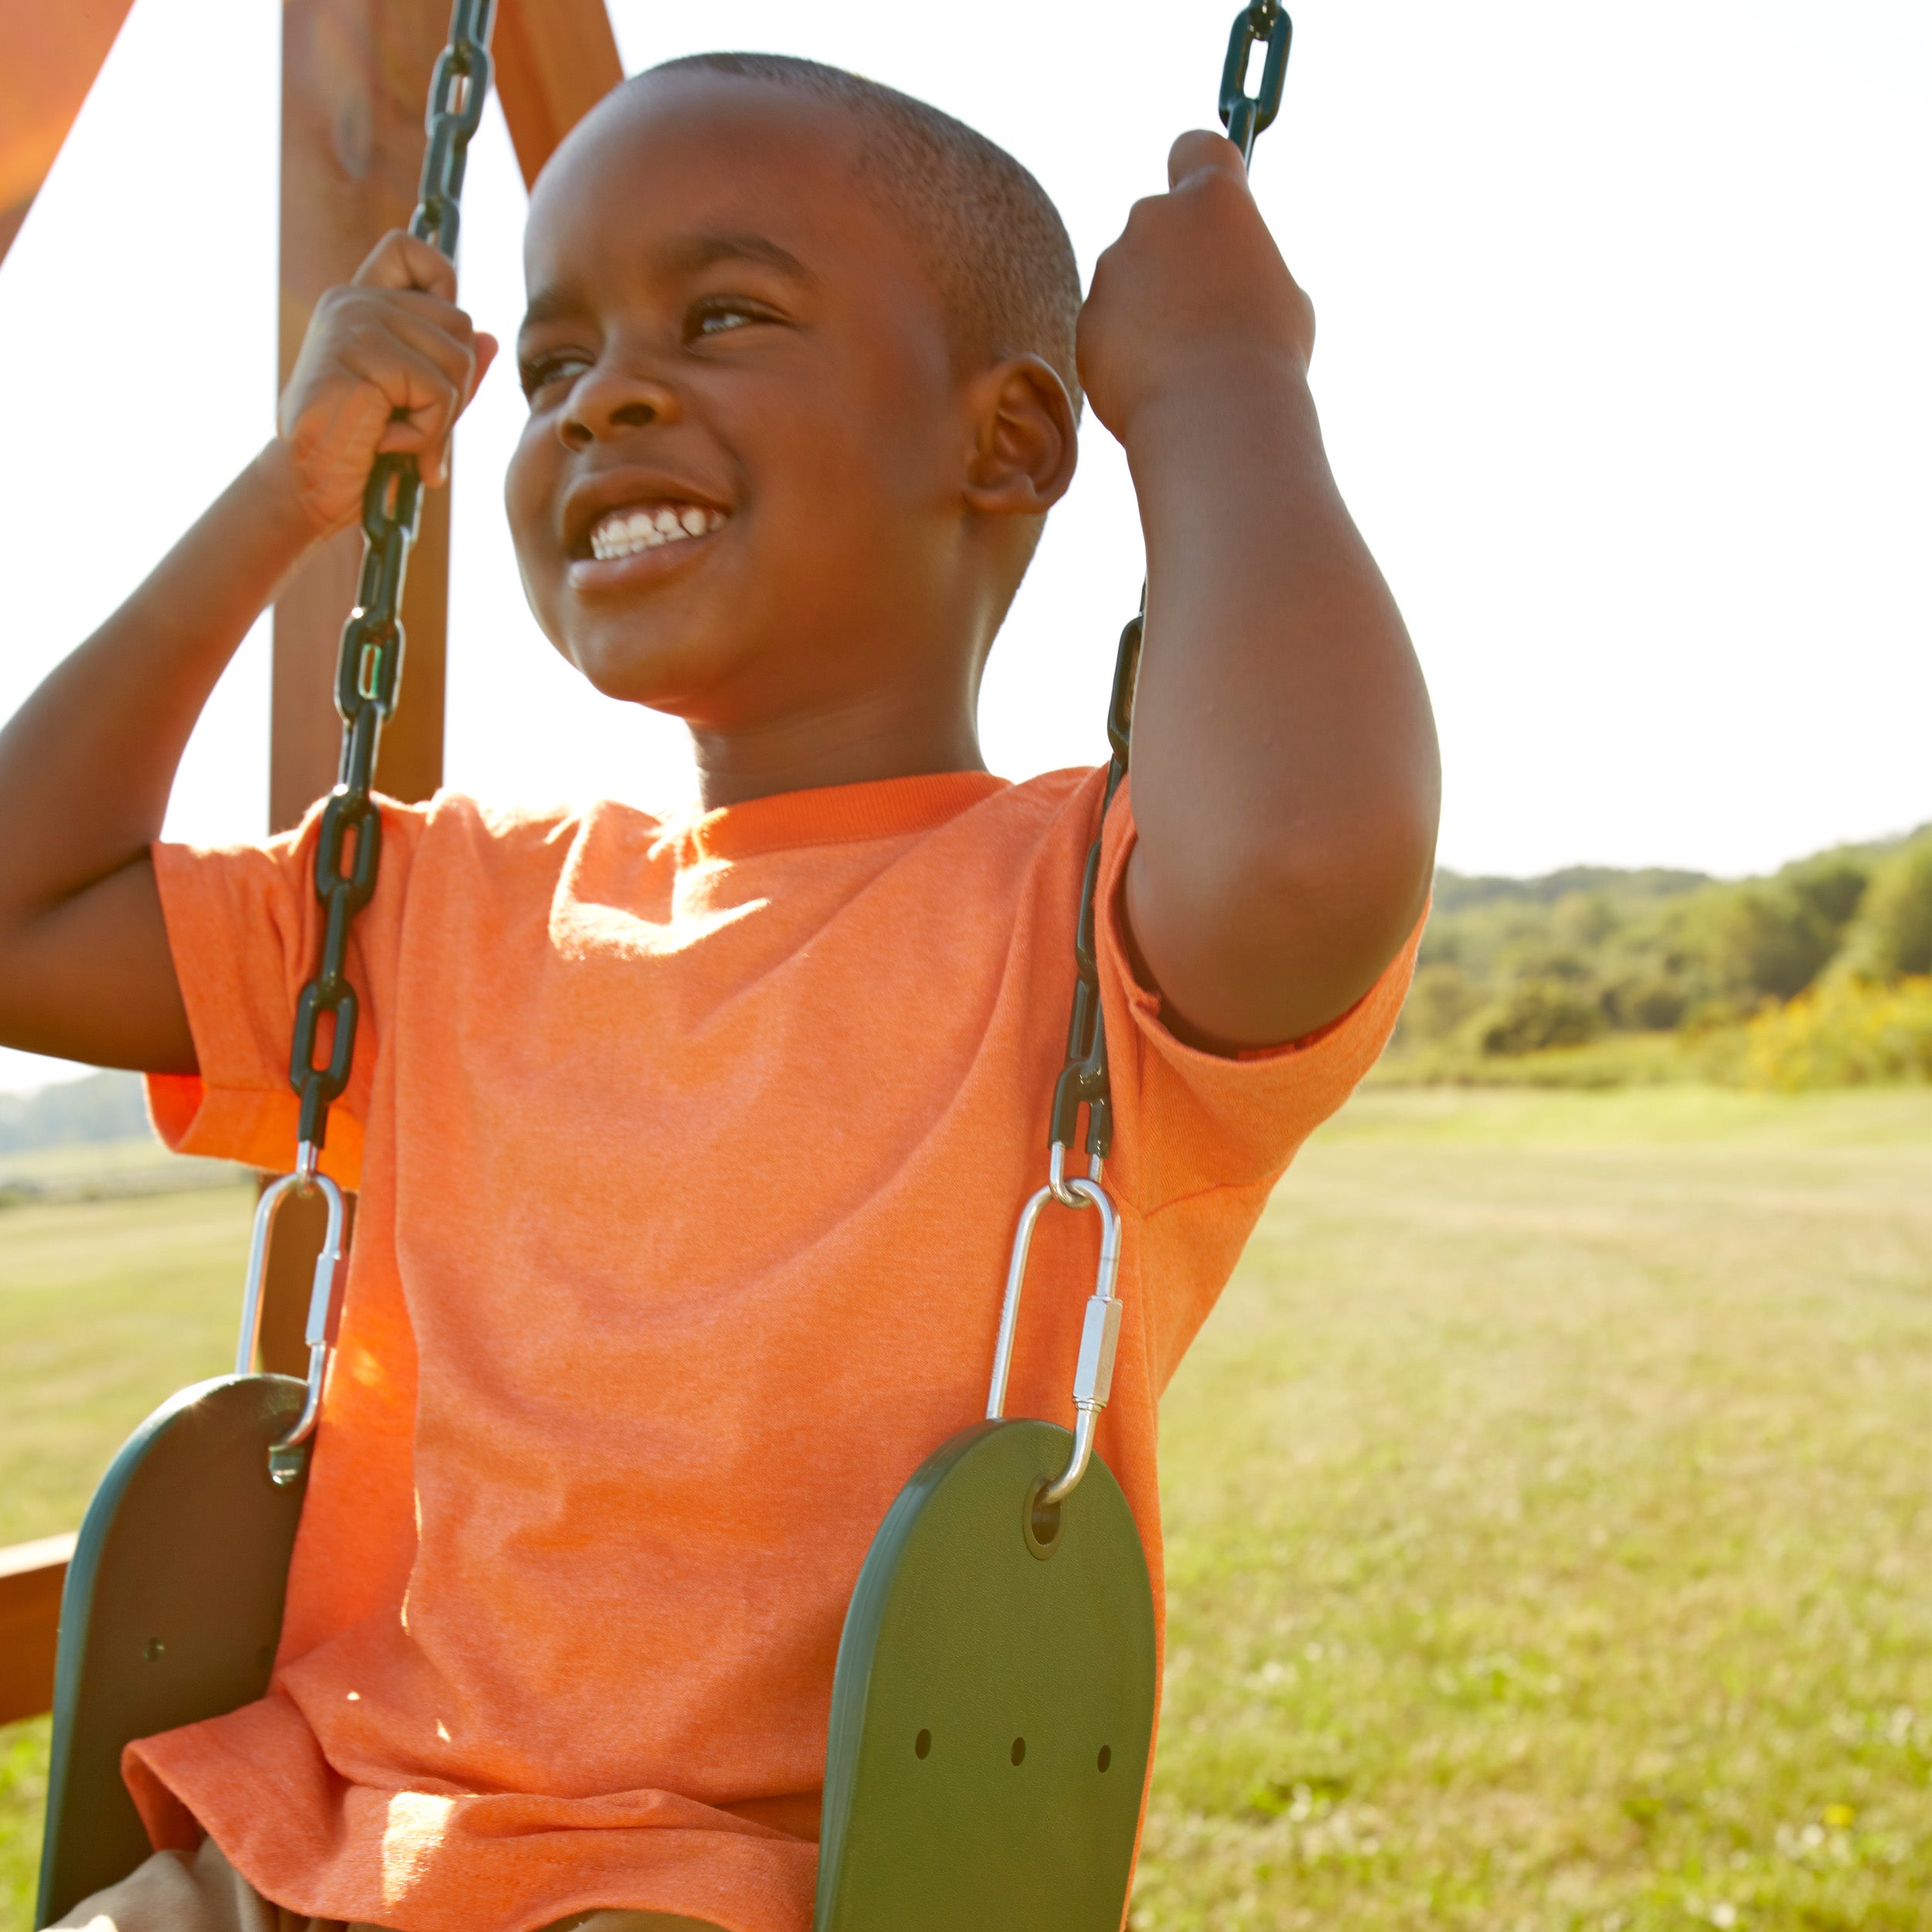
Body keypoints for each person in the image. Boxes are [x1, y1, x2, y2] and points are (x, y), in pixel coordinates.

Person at [0, 52, 1437, 1932]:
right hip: (306, 1845)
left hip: (741, 1892)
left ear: (1007, 440)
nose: (608, 397)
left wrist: (1219, 389)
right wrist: (287, 495)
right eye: (548, 363)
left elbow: (1311, 857)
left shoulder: (1082, 917)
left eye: (725, 312)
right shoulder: (438, 897)